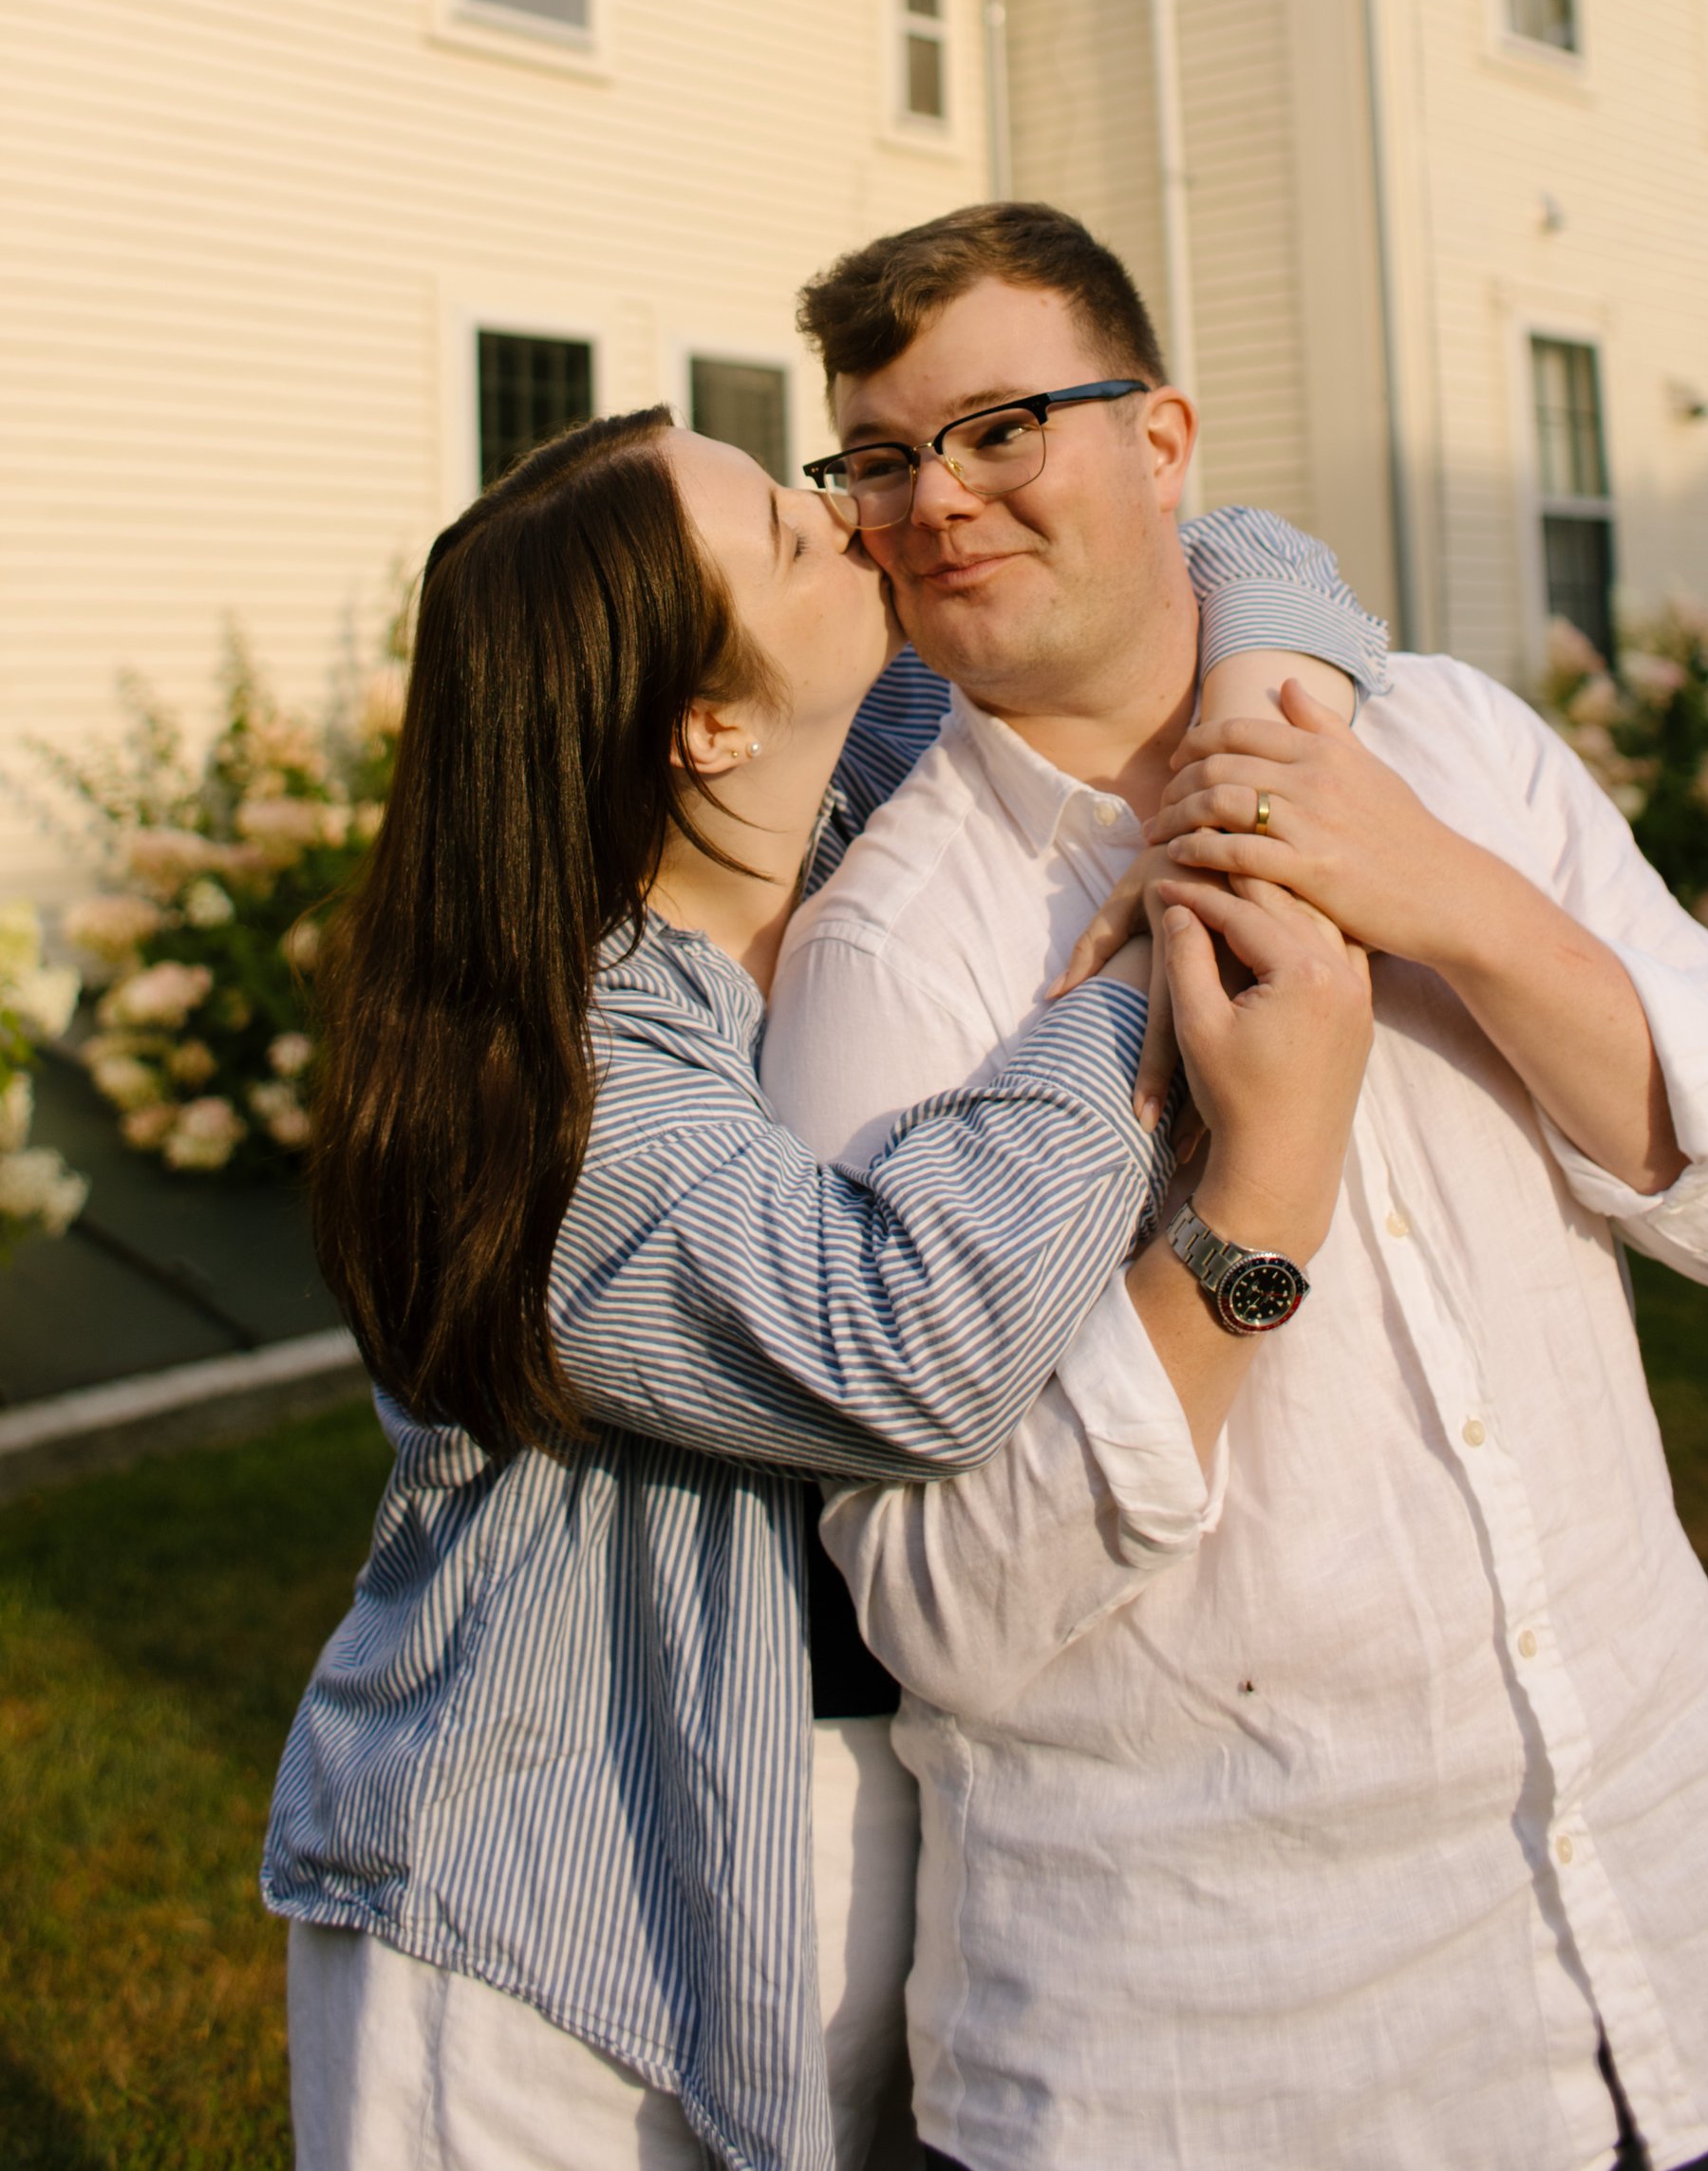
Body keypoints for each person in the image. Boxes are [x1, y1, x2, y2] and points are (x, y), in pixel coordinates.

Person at [760, 199, 1708, 2171]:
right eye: (876, 455)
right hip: (1234, 2052)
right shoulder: (887, 960)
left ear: (1164, 443)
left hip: (1660, 1962)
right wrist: (1249, 1209)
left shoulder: (1452, 745)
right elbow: (935, 1607)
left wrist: (1460, 907)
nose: (932, 499)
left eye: (999, 427)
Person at [262, 397, 1386, 2171]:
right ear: (707, 721)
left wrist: (1246, 718)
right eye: (794, 540)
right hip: (555, 1925)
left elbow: (1238, 556)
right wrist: (1151, 969)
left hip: (856, 1865)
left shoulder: (849, 790)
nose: (855, 524)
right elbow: (903, 1335)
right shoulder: (556, 1102)